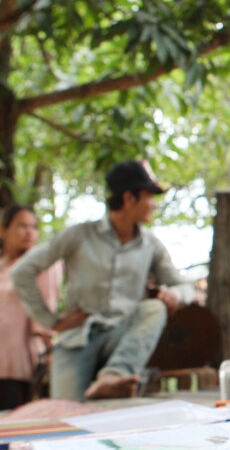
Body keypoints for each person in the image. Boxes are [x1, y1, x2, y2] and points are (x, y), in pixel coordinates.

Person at [12, 160, 195, 401]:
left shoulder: (151, 245)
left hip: (123, 334)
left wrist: (176, 295)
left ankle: (114, 376)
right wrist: (51, 321)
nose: (153, 205)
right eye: (150, 197)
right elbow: (21, 272)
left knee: (154, 308)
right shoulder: (78, 235)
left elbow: (186, 286)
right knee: (63, 414)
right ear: (129, 198)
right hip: (78, 336)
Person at [0, 205, 62, 409]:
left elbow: (44, 311)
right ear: (3, 230)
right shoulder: (3, 266)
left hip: (18, 363)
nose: (29, 232)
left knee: (13, 428)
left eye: (34, 227)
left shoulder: (42, 264)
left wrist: (52, 352)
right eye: (21, 226)